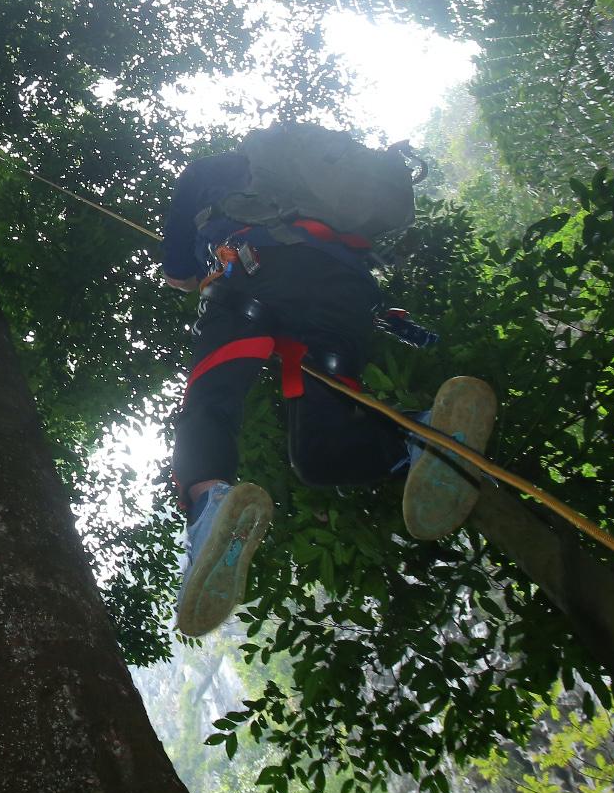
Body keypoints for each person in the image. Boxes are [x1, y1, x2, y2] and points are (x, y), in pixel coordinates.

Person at [161, 136, 496, 638]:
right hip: (343, 288)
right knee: (320, 455)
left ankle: (208, 502)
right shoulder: (310, 181)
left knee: (210, 398)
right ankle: (418, 441)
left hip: (251, 271)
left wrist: (180, 270)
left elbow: (181, 264)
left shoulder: (218, 171)